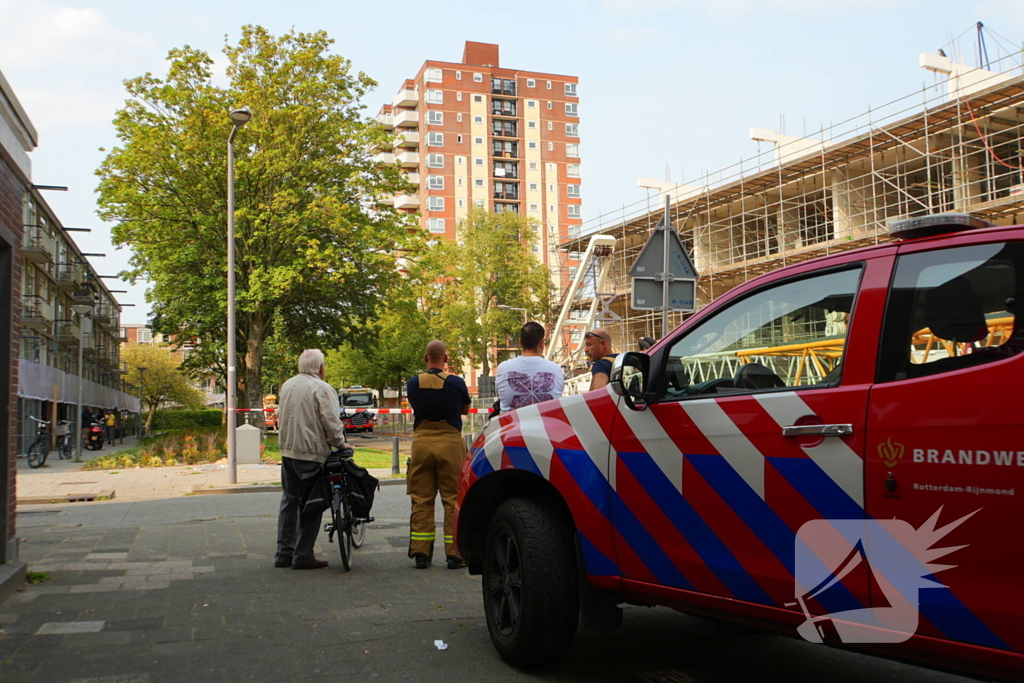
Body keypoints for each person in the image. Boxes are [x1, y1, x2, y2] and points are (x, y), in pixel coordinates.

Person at [274, 349, 350, 570]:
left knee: (290, 501)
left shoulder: (288, 385)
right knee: (313, 503)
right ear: (321, 368)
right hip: (311, 453)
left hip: (288, 451)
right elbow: (331, 421)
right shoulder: (321, 388)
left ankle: (284, 553)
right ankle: (303, 554)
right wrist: (341, 444)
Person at [405, 340, 471, 570]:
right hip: (450, 443)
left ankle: (421, 554)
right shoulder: (456, 382)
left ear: (426, 358)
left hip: (421, 443)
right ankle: (455, 555)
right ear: (446, 358)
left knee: (421, 499)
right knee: (452, 499)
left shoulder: (413, 383)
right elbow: (464, 410)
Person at [495, 321, 564, 413]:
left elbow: (500, 395)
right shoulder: (555, 369)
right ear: (541, 343)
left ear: (520, 342)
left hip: (512, 421)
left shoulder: (503, 368)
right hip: (545, 421)